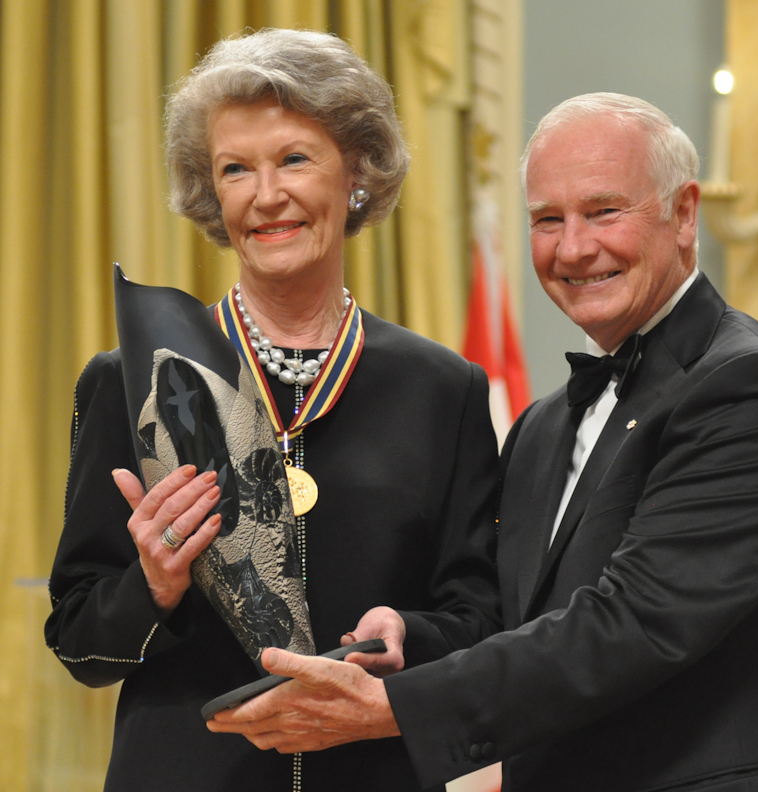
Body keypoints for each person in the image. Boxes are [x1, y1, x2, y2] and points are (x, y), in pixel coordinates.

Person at [208, 93, 758, 792]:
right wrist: (410, 641)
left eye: (604, 211)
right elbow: (516, 620)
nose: (575, 247)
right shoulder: (541, 428)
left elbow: (636, 622)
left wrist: (393, 708)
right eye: (548, 220)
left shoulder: (756, 386)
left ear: (684, 213)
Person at [45, 28, 501, 792]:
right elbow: (79, 641)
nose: (266, 196)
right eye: (235, 170)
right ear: (211, 196)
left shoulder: (442, 390)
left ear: (356, 172)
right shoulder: (132, 382)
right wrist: (152, 586)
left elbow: (482, 615)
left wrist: (409, 636)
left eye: (294, 158)